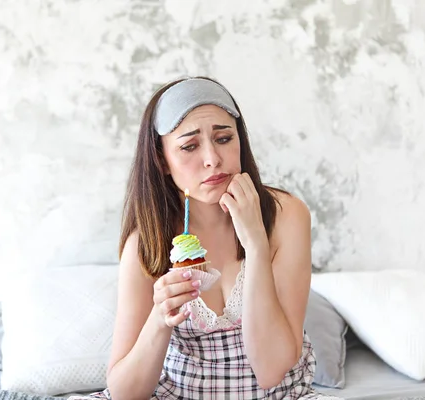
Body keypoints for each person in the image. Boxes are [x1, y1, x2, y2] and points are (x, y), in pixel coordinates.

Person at [73, 77, 340, 399]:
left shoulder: (287, 216)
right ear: (162, 161)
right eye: (189, 146)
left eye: (224, 138)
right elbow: (125, 393)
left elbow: (271, 371)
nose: (213, 158)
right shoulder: (147, 243)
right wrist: (160, 320)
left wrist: (256, 244)